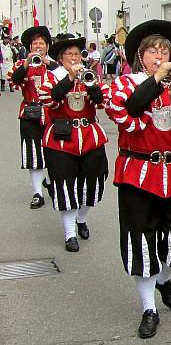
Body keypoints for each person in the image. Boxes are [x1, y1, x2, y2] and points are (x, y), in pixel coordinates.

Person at [105, 20, 171, 339]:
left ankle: (164, 280)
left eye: (165, 50)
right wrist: (156, 79)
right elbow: (132, 109)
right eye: (154, 50)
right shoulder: (126, 84)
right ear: (141, 56)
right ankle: (148, 307)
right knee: (142, 242)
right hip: (138, 174)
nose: (161, 55)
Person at [36, 34, 110, 252]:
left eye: (77, 54)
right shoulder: (52, 77)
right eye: (69, 54)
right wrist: (69, 78)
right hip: (61, 138)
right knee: (65, 185)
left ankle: (81, 218)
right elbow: (49, 99)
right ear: (61, 58)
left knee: (94, 182)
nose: (74, 57)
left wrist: (90, 84)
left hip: (89, 135)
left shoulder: (89, 77)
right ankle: (70, 233)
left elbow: (101, 102)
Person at [8, 25, 54, 209]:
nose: (38, 46)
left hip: (52, 113)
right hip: (29, 113)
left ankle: (50, 180)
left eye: (41, 43)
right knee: (33, 154)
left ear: (47, 46)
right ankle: (37, 193)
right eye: (35, 43)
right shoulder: (22, 64)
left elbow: (65, 75)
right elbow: (16, 81)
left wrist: (47, 61)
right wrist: (27, 63)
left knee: (53, 151)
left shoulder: (53, 64)